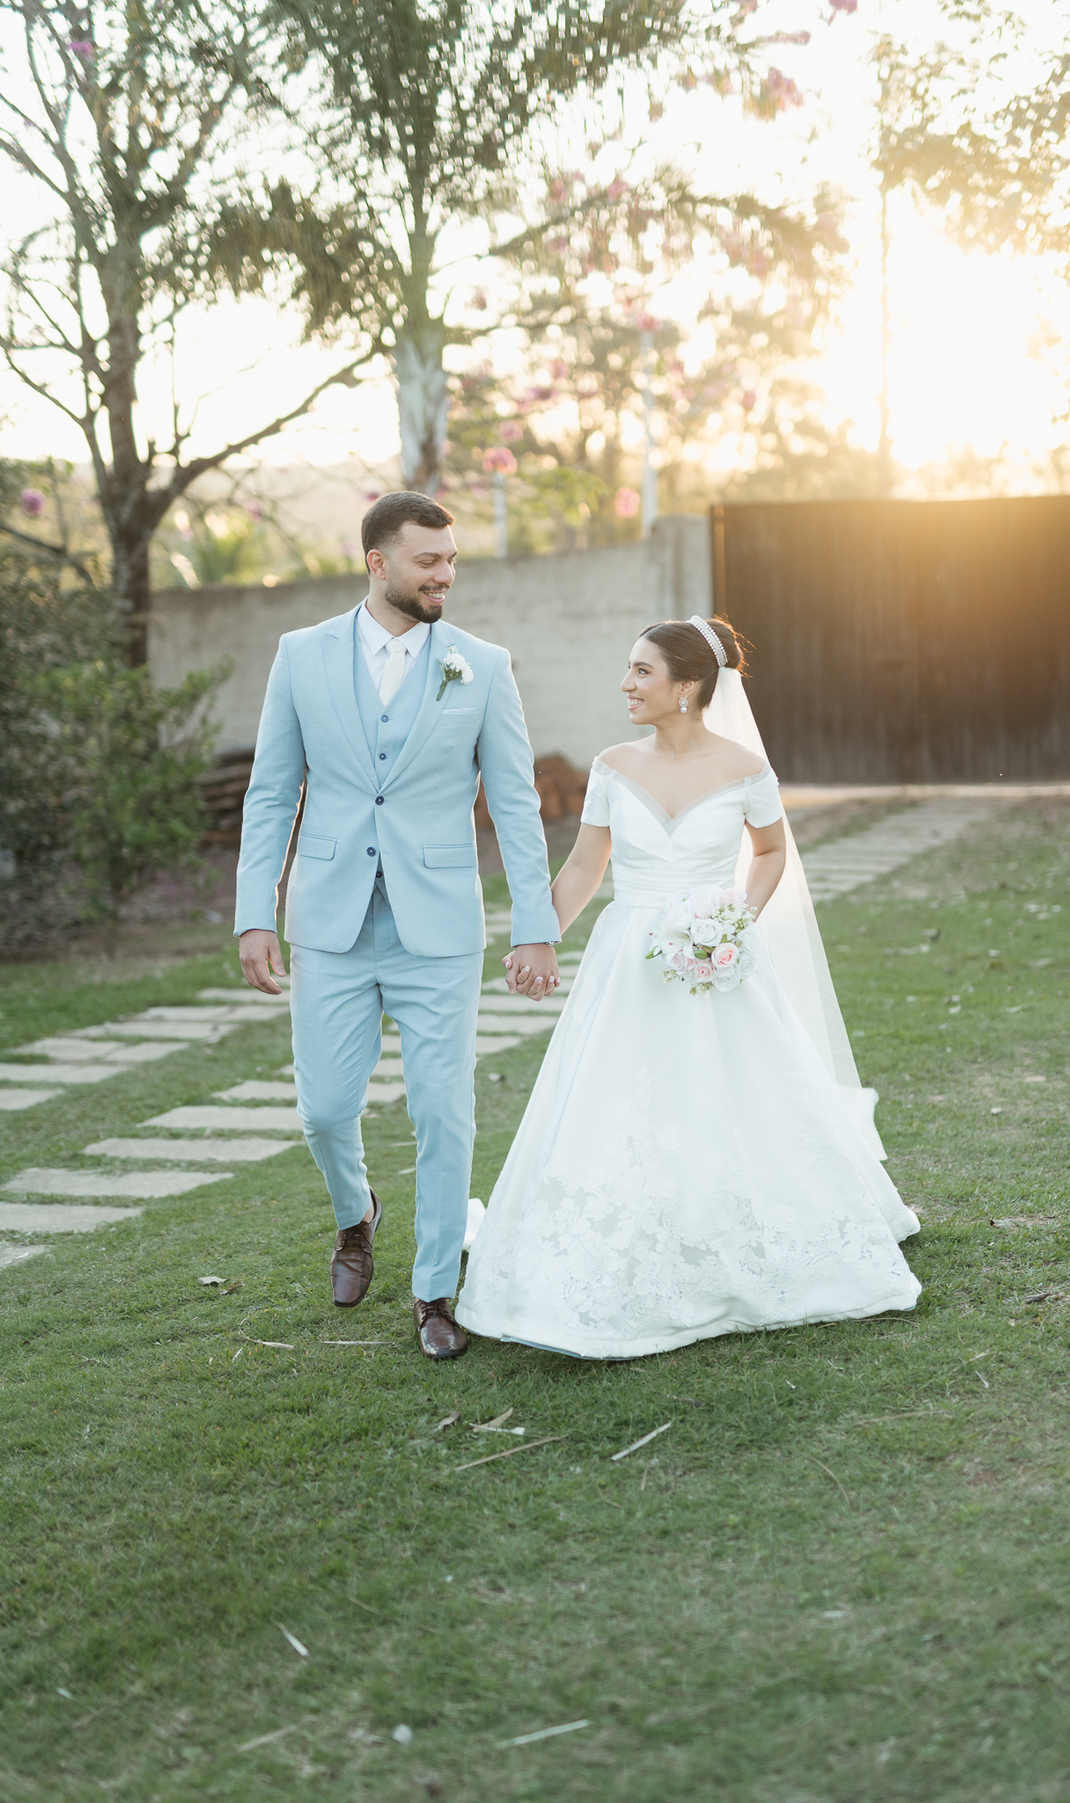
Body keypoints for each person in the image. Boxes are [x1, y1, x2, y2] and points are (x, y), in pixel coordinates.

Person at [456, 616, 921, 1359]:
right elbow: (586, 866)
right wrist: (538, 936)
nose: (625, 683)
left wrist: (732, 920)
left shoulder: (745, 768)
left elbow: (770, 853)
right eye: (629, 668)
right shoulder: (612, 766)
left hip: (717, 958)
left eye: (642, 670)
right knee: (621, 1098)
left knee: (736, 1092)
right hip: (630, 963)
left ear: (689, 686)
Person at [234, 491, 560, 1360]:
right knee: (324, 1109)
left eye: (451, 560)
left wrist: (535, 924)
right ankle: (357, 1215)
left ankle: (434, 1290)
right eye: (428, 561)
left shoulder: (481, 665)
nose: (445, 574)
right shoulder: (300, 655)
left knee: (444, 1111)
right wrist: (255, 910)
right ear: (378, 562)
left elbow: (516, 803)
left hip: (439, 925)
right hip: (329, 921)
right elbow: (271, 792)